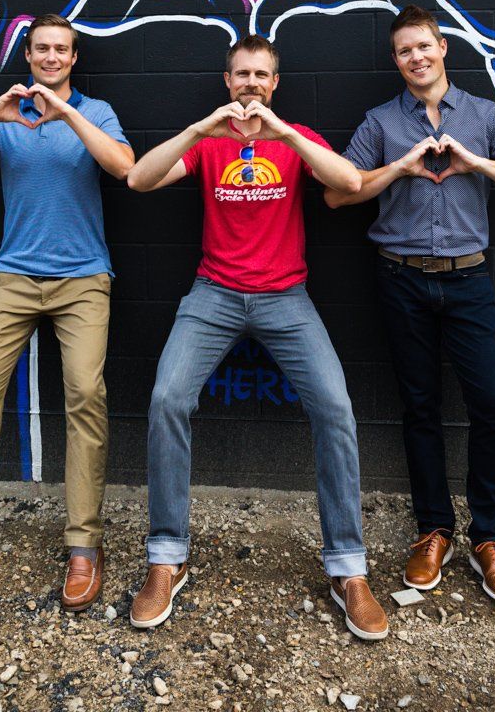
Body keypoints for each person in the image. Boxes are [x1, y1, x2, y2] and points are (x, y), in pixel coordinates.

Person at [126, 35, 388, 641]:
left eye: (261, 75)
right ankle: (167, 557)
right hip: (213, 293)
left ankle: (347, 570)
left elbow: (347, 181)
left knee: (336, 408)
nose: (250, 83)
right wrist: (202, 129)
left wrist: (283, 134)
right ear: (227, 80)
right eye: (241, 74)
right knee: (167, 398)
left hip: (286, 296)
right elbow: (140, 179)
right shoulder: (211, 140)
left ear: (275, 83)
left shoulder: (294, 137)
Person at [325, 4, 495, 603]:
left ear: (442, 47)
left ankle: (488, 536)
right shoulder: (380, 122)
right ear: (397, 59)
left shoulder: (482, 115)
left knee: (491, 404)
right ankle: (434, 530)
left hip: (469, 280)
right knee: (420, 407)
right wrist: (399, 167)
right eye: (404, 51)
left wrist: (476, 161)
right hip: (400, 280)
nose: (416, 58)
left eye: (423, 46)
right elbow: (337, 194)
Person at [0, 14, 134, 612]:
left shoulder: (97, 110)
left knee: (85, 396)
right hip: (13, 277)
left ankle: (83, 545)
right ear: (29, 54)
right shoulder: (7, 116)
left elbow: (124, 167)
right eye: (42, 49)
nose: (52, 57)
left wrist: (69, 115)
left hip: (84, 278)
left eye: (62, 49)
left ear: (73, 56)